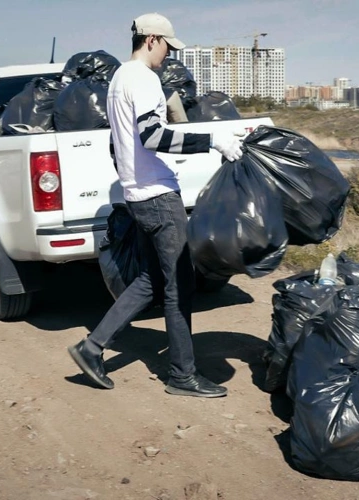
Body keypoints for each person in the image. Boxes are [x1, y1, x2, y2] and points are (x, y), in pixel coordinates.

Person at [67, 13, 244, 397]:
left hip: (137, 196)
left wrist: (131, 179)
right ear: (150, 40)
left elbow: (119, 144)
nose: (168, 54)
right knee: (181, 286)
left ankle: (91, 347)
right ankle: (182, 376)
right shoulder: (144, 79)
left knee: (151, 280)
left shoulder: (117, 81)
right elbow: (152, 136)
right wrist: (212, 141)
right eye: (166, 45)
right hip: (158, 198)